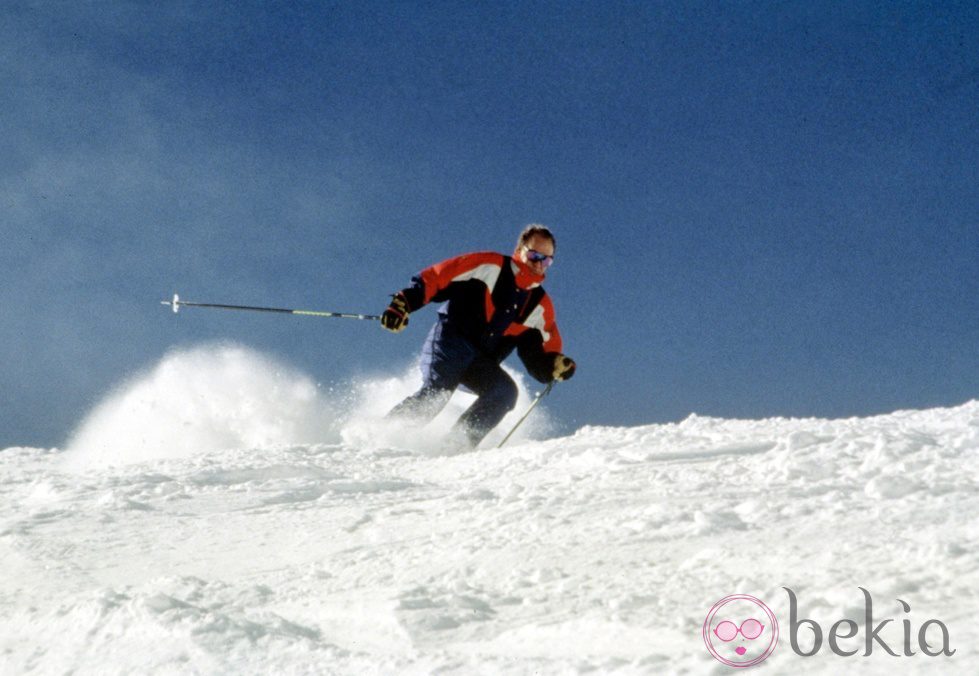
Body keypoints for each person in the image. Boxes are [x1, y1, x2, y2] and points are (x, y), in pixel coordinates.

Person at [380, 224, 576, 447]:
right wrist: (403, 303)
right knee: (437, 395)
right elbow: (438, 277)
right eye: (534, 255)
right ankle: (382, 437)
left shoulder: (540, 306)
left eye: (547, 259)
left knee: (504, 392)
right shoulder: (489, 267)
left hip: (480, 362)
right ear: (520, 250)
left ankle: (457, 444)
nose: (539, 263)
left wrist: (553, 365)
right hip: (451, 342)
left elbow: (538, 352)